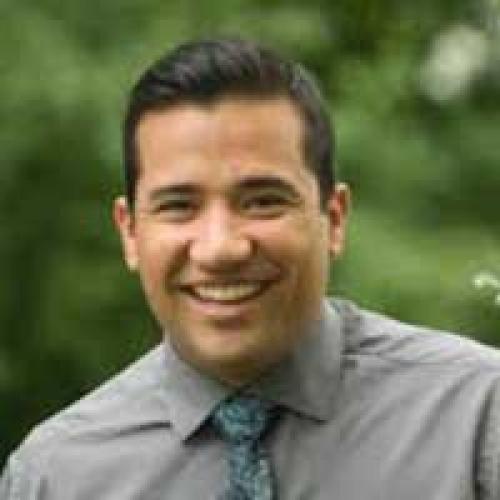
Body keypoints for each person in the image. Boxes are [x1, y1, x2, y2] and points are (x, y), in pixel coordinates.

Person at [1, 37, 500, 500]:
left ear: (334, 218)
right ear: (130, 233)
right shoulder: (54, 478)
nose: (220, 249)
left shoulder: (477, 419)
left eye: (263, 201)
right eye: (179, 206)